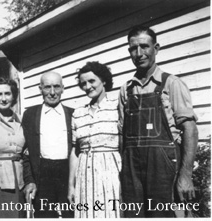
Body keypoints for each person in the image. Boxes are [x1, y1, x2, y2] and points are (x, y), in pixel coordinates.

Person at [118, 25, 198, 217]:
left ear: (156, 48)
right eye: (133, 49)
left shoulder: (172, 83)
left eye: (144, 46)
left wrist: (185, 175)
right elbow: (122, 136)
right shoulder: (126, 90)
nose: (139, 53)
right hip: (132, 172)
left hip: (164, 170)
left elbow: (190, 130)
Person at [68, 62, 121, 218]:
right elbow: (75, 151)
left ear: (104, 81)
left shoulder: (117, 108)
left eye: (92, 81)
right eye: (83, 83)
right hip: (84, 174)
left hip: (111, 173)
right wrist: (71, 185)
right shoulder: (78, 113)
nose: (88, 86)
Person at [22, 71, 74, 218]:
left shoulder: (73, 114)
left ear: (63, 88)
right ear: (40, 89)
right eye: (47, 87)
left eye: (56, 87)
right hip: (42, 174)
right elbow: (25, 152)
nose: (52, 92)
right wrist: (29, 180)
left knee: (70, 214)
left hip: (67, 173)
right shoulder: (30, 115)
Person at [0, 77, 26, 218]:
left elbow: (27, 153)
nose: (3, 99)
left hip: (20, 181)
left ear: (14, 96)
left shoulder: (21, 120)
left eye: (7, 94)